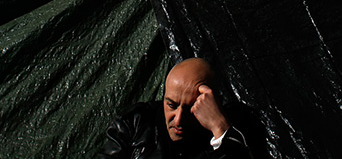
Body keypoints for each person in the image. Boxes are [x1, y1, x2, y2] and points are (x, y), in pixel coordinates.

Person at [97, 58, 253, 158]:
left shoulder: (235, 128)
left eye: (191, 109)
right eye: (171, 105)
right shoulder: (136, 122)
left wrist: (220, 128)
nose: (178, 119)